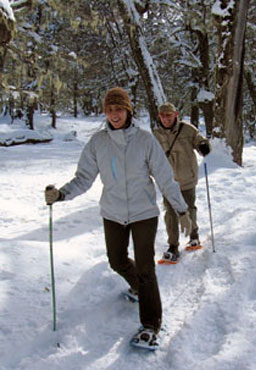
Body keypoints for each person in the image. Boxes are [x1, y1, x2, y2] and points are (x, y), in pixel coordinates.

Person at [44, 87, 192, 349]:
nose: (114, 114)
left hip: (143, 213)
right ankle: (139, 289)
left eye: (119, 109)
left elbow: (165, 178)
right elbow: (83, 179)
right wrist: (61, 195)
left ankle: (151, 325)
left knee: (146, 269)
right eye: (110, 109)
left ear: (128, 111)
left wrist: (182, 210)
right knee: (116, 260)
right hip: (112, 213)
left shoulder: (146, 141)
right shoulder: (98, 143)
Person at [153, 102, 211, 263]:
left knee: (189, 209)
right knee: (170, 214)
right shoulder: (156, 134)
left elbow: (199, 139)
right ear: (159, 117)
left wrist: (203, 145)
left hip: (187, 178)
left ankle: (194, 236)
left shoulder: (187, 129)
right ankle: (173, 246)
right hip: (168, 181)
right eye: (163, 116)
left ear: (175, 114)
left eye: (169, 115)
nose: (166, 119)